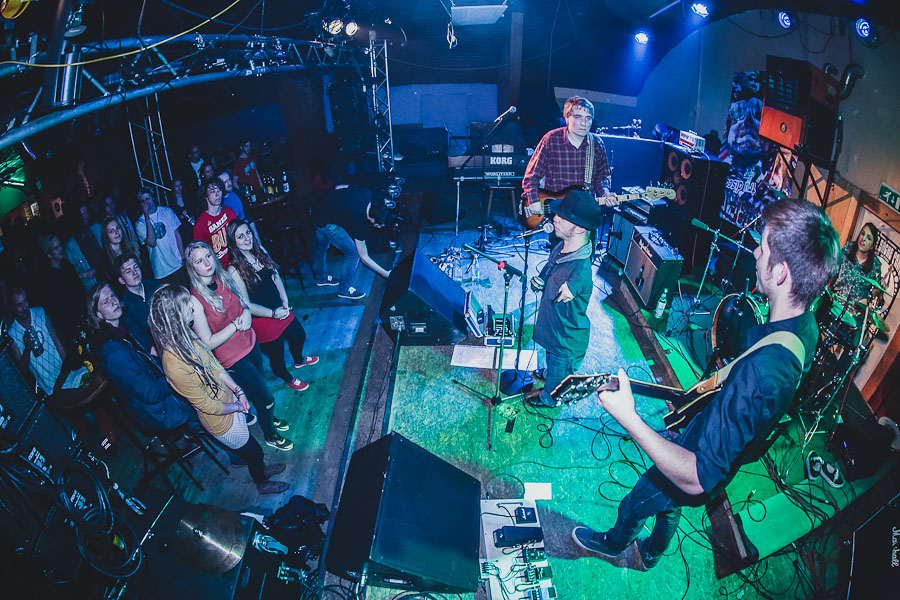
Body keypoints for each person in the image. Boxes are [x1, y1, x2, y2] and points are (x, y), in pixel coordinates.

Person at [570, 199, 841, 570]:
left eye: (763, 247)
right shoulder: (803, 328)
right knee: (668, 504)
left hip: (699, 463)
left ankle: (615, 544)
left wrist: (628, 417)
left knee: (638, 501)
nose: (755, 252)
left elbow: (697, 477)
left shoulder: (763, 373)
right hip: (711, 430)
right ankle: (652, 552)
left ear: (780, 273)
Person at [148, 284, 289, 494]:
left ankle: (261, 471)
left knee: (252, 450)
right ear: (175, 315)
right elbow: (207, 405)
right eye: (187, 305)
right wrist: (237, 406)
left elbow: (214, 365)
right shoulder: (173, 365)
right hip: (221, 420)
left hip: (231, 402)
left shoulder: (186, 336)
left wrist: (238, 391)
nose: (193, 307)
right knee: (254, 452)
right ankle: (261, 483)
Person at [184, 241, 294, 451]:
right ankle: (270, 434)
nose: (207, 263)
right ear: (192, 267)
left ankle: (268, 417)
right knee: (267, 398)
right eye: (199, 261)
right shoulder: (195, 300)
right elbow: (207, 342)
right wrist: (235, 325)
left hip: (251, 344)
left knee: (260, 393)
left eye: (208, 256)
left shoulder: (223, 277)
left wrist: (246, 313)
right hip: (233, 359)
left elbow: (244, 304)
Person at [526, 190, 603, 408]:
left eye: (563, 217)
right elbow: (551, 265)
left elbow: (576, 286)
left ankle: (549, 397)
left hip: (565, 341)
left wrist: (569, 290)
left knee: (557, 376)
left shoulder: (580, 272)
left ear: (580, 229)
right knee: (550, 357)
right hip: (553, 330)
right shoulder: (562, 246)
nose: (555, 218)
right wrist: (542, 280)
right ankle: (550, 373)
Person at [88, 283, 195, 433]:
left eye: (112, 295)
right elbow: (151, 393)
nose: (113, 301)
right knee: (201, 406)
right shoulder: (114, 352)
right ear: (98, 315)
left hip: (162, 394)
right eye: (106, 302)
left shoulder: (121, 330)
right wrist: (176, 375)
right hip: (160, 411)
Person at [226, 220, 318, 392]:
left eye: (248, 233)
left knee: (299, 335)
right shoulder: (234, 270)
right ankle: (288, 378)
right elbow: (246, 305)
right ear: (233, 242)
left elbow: (275, 275)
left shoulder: (260, 251)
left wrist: (285, 299)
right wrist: (273, 313)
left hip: (279, 308)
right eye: (240, 236)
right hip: (263, 318)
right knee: (277, 357)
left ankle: (299, 360)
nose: (247, 238)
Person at [521, 96, 612, 221]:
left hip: (584, 211)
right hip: (556, 212)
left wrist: (605, 193)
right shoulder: (551, 139)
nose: (584, 123)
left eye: (588, 118)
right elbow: (531, 176)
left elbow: (602, 176)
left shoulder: (596, 143)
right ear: (567, 118)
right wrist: (533, 199)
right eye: (578, 117)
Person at [311, 185, 391, 300]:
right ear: (372, 218)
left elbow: (339, 187)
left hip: (316, 207)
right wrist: (386, 274)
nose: (379, 228)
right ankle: (344, 290)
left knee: (322, 247)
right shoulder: (359, 221)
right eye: (379, 225)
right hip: (325, 222)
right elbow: (364, 257)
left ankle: (321, 278)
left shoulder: (366, 191)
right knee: (353, 254)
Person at [7, 287, 66, 396]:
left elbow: (57, 340)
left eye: (25, 301)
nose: (24, 307)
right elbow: (21, 369)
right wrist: (27, 349)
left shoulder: (40, 312)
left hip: (64, 371)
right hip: (48, 387)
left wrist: (68, 367)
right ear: (12, 308)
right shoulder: (12, 334)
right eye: (19, 305)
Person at [34, 234, 88, 341]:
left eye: (60, 245)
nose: (60, 249)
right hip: (74, 327)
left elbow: (79, 289)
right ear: (49, 254)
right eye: (56, 248)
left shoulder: (66, 265)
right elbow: (58, 311)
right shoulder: (49, 279)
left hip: (86, 316)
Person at [135, 188, 185, 285]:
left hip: (177, 264)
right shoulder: (140, 223)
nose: (146, 202)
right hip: (161, 271)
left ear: (153, 198)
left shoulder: (167, 211)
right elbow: (152, 243)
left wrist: (183, 257)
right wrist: (146, 216)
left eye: (147, 198)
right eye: (142, 201)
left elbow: (177, 235)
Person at [116, 254, 160, 351]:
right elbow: (144, 343)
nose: (134, 272)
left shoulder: (155, 286)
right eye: (128, 271)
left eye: (135, 267)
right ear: (122, 280)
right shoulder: (125, 307)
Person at [832, 223, 882, 304]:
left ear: (872, 246)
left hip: (854, 309)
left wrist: (869, 297)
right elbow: (833, 269)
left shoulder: (875, 265)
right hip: (835, 301)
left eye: (868, 238)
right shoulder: (847, 248)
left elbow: (877, 289)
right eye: (862, 234)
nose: (863, 238)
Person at [194, 179, 238, 267]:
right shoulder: (200, 224)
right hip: (220, 268)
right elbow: (201, 252)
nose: (217, 195)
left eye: (219, 190)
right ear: (205, 196)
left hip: (237, 261)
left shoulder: (229, 212)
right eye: (213, 192)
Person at [101, 215, 146, 281]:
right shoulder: (105, 263)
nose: (116, 232)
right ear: (106, 236)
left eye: (118, 227)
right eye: (111, 231)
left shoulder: (130, 251)